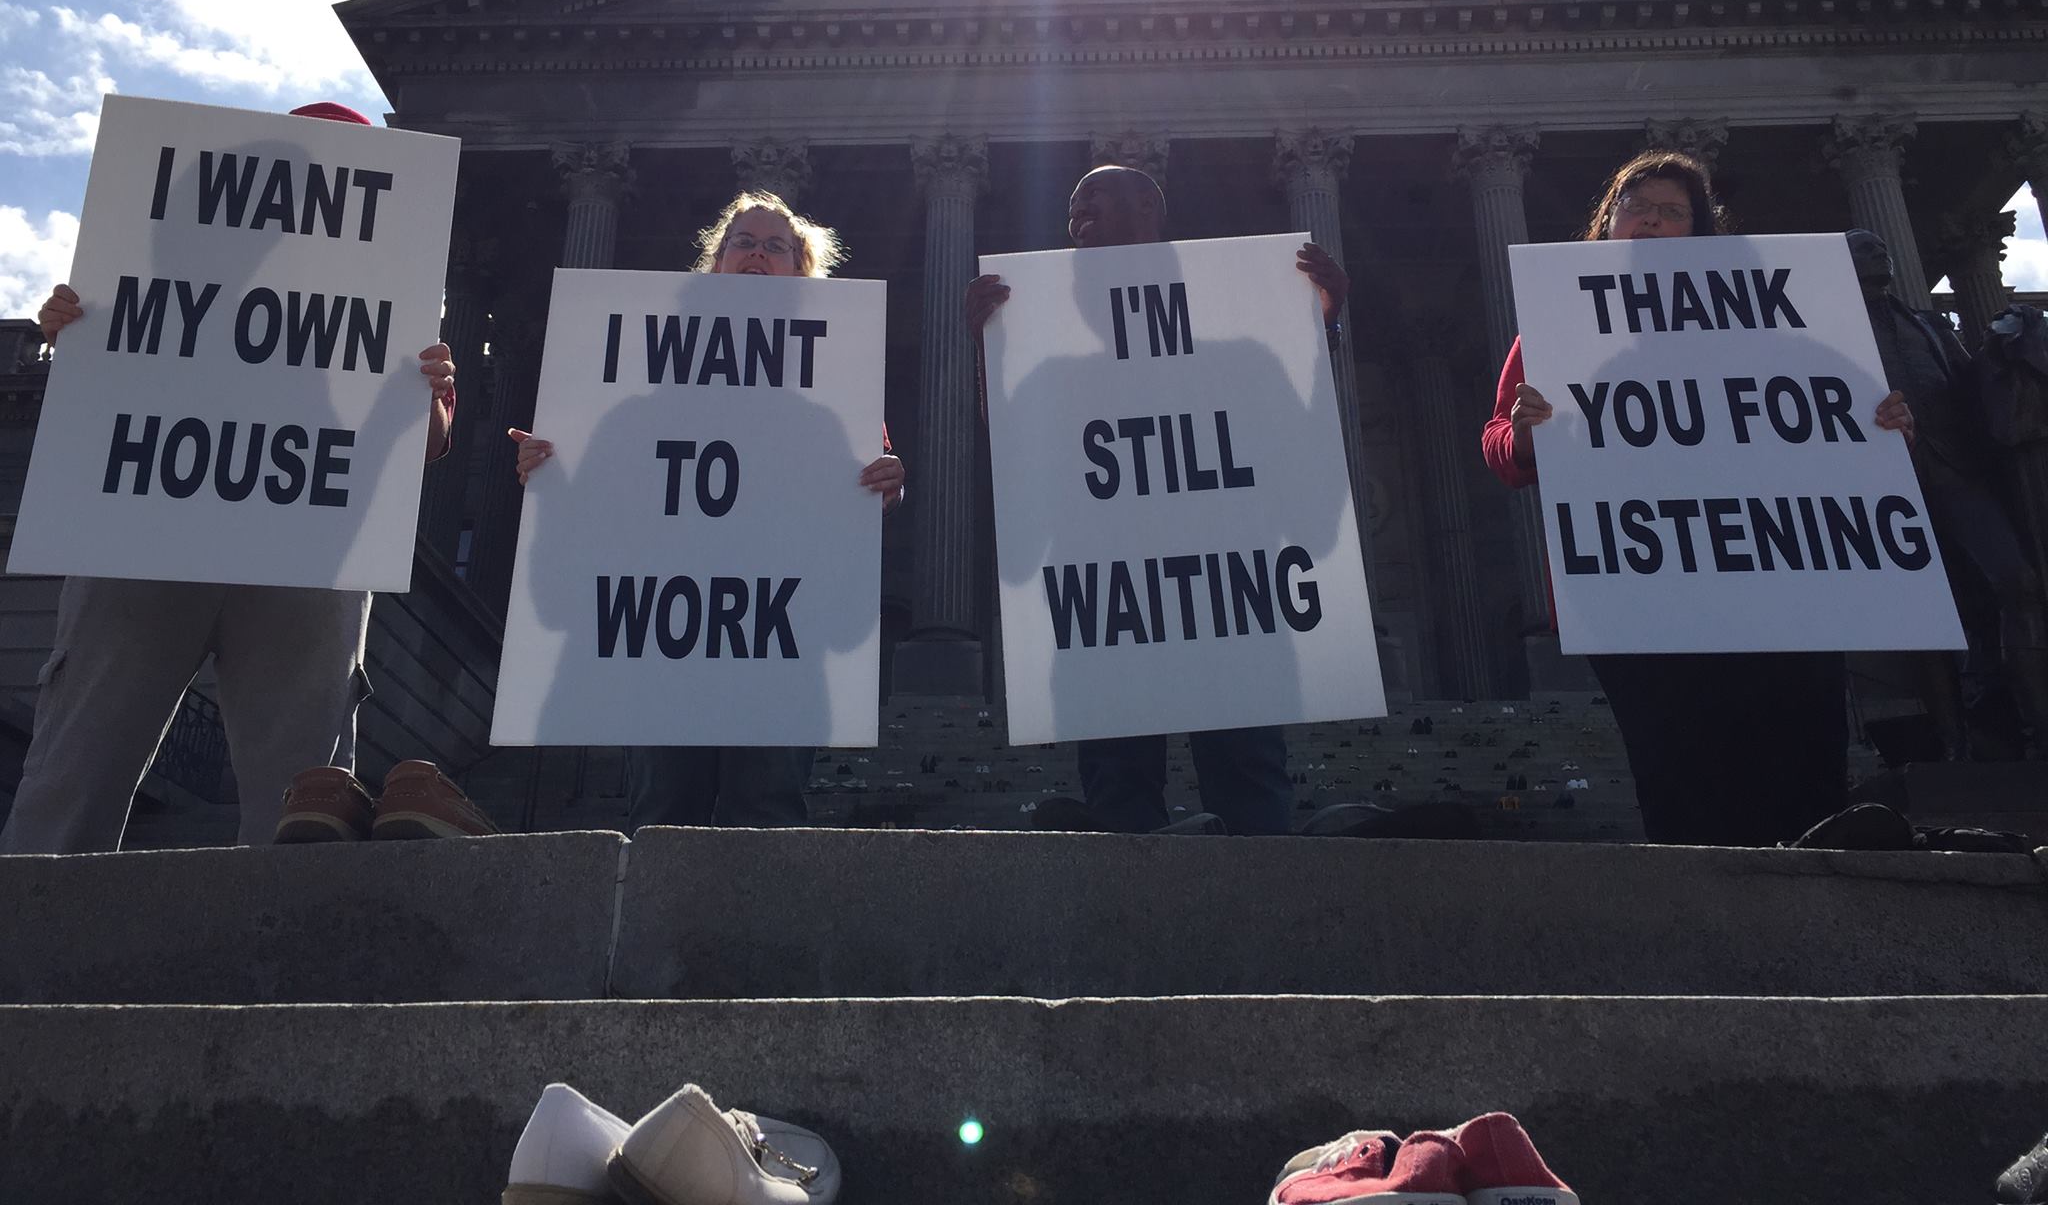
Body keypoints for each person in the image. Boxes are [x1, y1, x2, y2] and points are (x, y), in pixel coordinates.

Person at [1, 101, 476, 855]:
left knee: (307, 804)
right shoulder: (162, 265)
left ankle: (291, 962)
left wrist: (428, 395)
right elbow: (107, 386)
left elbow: (425, 446)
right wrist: (76, 334)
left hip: (307, 556)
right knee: (75, 772)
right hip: (144, 540)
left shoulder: (397, 289)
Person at [1480, 150, 1914, 846]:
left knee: (1803, 773)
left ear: (1698, 231)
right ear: (1609, 221)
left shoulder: (1765, 321)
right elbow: (1501, 446)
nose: (1651, 220)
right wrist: (1527, 436)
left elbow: (1827, 416)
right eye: (1635, 206)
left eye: (1672, 211)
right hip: (1641, 585)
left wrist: (1882, 429)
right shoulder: (1559, 321)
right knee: (1680, 775)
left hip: (1774, 577)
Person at [964, 164, 1350, 836]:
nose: (1077, 220)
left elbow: (1310, 504)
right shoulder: (1053, 375)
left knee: (1252, 787)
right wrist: (992, 355)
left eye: (1096, 203)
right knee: (1119, 792)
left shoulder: (1246, 361)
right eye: (1073, 211)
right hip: (1106, 609)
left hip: (1231, 605)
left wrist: (1319, 336)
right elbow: (1022, 495)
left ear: (1150, 211)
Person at [512, 190, 904, 830]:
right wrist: (550, 471)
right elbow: (596, 505)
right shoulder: (639, 394)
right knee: (664, 811)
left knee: (768, 809)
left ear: (801, 273)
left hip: (782, 636)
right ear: (716, 263)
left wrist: (887, 488)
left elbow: (856, 494)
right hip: (667, 632)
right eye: (743, 242)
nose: (757, 254)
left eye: (777, 247)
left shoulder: (830, 398)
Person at [1850, 227, 2047, 758]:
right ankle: (1953, 741)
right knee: (1921, 609)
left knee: (2018, 582)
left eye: (1880, 246)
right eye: (1862, 246)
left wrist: (2010, 344)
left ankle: (2034, 720)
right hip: (1882, 482)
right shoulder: (1828, 329)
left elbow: (1972, 387)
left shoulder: (1928, 325)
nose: (1878, 251)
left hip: (1956, 467)